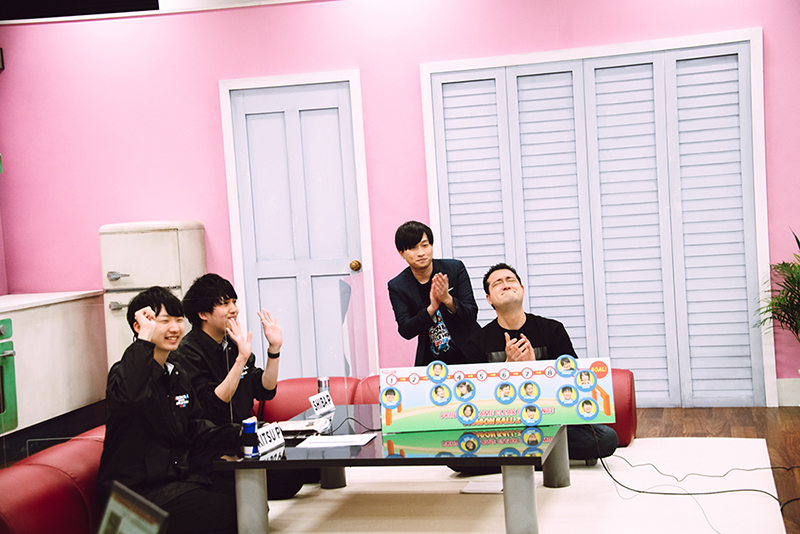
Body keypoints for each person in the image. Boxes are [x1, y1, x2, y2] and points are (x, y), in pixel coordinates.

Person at [98, 287, 240, 534]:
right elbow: (130, 399)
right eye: (164, 321)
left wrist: (238, 434)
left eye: (179, 320)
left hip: (176, 481)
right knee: (227, 510)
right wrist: (144, 339)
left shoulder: (176, 373)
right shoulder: (124, 373)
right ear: (139, 326)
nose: (175, 328)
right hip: (138, 492)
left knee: (246, 496)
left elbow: (194, 426)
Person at [464, 263, 618, 463]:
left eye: (510, 280)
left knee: (606, 438)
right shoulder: (476, 342)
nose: (506, 285)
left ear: (522, 289)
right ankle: (546, 457)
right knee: (457, 451)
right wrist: (507, 368)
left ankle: (516, 458)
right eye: (497, 283)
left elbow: (573, 382)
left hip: (550, 420)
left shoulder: (552, 329)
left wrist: (535, 368)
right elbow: (477, 398)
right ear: (489, 299)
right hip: (505, 424)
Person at [172, 273, 308, 499]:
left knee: (308, 460)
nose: (234, 309)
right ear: (203, 313)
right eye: (225, 303)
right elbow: (212, 405)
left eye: (234, 302)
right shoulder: (187, 354)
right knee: (290, 477)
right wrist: (240, 360)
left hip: (246, 439)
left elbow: (265, 390)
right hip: (213, 446)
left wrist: (274, 349)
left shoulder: (232, 344)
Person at [388, 221, 480, 366]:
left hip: (469, 350)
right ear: (401, 253)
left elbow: (471, 314)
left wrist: (448, 300)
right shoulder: (398, 286)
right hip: (432, 361)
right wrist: (431, 309)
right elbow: (406, 330)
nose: (421, 253)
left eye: (425, 245)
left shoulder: (455, 269)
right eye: (413, 248)